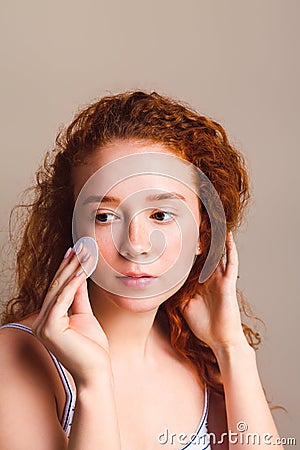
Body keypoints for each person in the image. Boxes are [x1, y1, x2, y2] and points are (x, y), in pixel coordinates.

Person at [0, 91, 283, 450]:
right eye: (105, 216)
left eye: (161, 215)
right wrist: (94, 383)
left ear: (203, 234)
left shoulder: (199, 354)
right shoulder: (15, 358)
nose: (136, 244)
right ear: (71, 229)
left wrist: (232, 349)